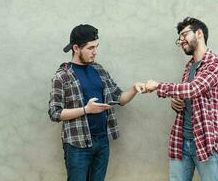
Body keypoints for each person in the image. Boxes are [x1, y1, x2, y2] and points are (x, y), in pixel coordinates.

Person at [48, 24, 145, 181]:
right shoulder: (62, 76)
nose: (95, 52)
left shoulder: (99, 70)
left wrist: (134, 88)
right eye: (90, 48)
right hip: (77, 145)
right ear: (76, 48)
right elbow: (55, 113)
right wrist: (86, 110)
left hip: (102, 142)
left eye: (96, 46)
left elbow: (119, 98)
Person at [145, 17, 218, 181]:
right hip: (181, 140)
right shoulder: (190, 66)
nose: (181, 40)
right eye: (179, 38)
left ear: (199, 33)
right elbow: (188, 96)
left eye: (184, 34)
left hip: (207, 142)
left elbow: (194, 89)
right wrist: (176, 102)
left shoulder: (216, 63)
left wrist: (157, 86)